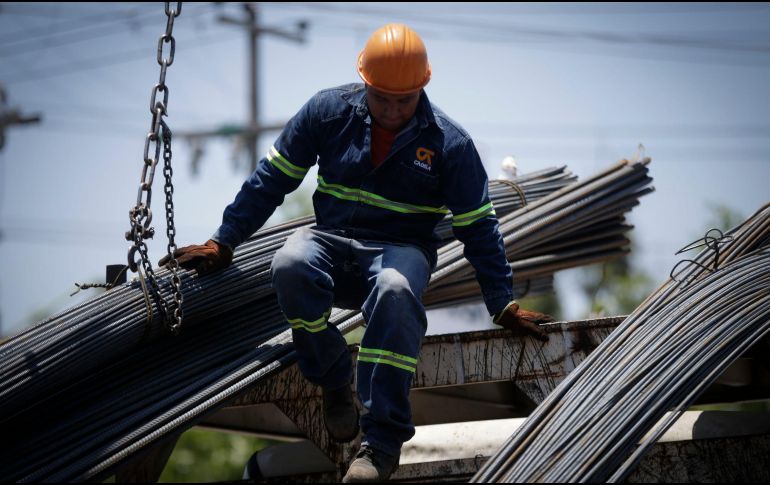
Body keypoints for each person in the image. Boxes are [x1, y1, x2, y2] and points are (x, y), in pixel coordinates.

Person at [162, 23, 553, 483]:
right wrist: (224, 239)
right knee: (290, 262)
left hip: (401, 251)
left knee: (395, 289)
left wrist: (500, 302)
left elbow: (479, 228)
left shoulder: (451, 145)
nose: (390, 110)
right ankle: (331, 372)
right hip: (331, 241)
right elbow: (272, 179)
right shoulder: (327, 113)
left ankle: (381, 446)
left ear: (422, 87)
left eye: (402, 101)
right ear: (364, 83)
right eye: (380, 97)